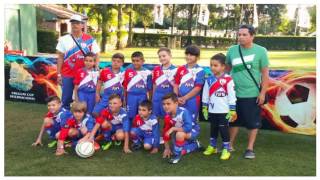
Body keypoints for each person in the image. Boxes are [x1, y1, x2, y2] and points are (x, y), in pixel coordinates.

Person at [226, 24, 269, 159]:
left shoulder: (261, 51)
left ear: (252, 36)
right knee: (233, 120)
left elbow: (265, 75)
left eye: (244, 35)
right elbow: (226, 70)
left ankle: (249, 148)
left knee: (252, 123)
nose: (241, 37)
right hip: (233, 94)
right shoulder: (232, 50)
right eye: (239, 34)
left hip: (252, 94)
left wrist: (262, 93)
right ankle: (229, 145)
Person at [56, 14, 100, 110]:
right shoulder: (64, 39)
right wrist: (59, 74)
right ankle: (65, 118)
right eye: (72, 23)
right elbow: (60, 57)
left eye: (77, 23)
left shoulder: (90, 40)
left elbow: (97, 54)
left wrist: (96, 67)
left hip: (85, 75)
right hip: (67, 74)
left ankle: (84, 119)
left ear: (82, 25)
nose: (74, 25)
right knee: (66, 98)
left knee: (82, 98)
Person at [202, 53, 237, 160]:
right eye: (211, 65)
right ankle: (212, 146)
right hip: (212, 110)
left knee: (223, 130)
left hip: (224, 111)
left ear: (223, 66)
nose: (212, 67)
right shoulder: (209, 79)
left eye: (215, 65)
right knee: (213, 128)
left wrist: (232, 110)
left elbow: (232, 95)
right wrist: (204, 107)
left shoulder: (228, 80)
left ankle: (226, 149)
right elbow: (205, 94)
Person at [162, 93, 201, 164]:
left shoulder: (184, 112)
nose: (165, 106)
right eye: (164, 104)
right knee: (176, 148)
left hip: (193, 130)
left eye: (168, 104)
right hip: (180, 131)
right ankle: (195, 145)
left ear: (176, 103)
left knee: (179, 135)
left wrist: (173, 129)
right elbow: (165, 133)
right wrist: (167, 148)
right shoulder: (167, 116)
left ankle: (177, 156)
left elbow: (188, 128)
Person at [174, 45, 205, 122]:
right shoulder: (180, 69)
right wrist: (176, 97)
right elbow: (176, 84)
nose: (188, 57)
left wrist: (185, 98)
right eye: (187, 54)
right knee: (178, 120)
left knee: (190, 121)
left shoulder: (200, 71)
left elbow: (198, 88)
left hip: (193, 100)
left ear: (197, 57)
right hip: (179, 99)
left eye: (191, 55)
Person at [92, 53, 125, 117]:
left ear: (122, 63)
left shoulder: (124, 73)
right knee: (95, 112)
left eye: (118, 61)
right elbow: (99, 83)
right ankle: (99, 124)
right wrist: (97, 94)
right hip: (106, 97)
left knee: (116, 114)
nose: (115, 63)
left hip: (118, 97)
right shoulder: (105, 71)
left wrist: (124, 99)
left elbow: (125, 87)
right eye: (114, 61)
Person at [123, 51, 152, 122]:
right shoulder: (128, 71)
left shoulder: (148, 73)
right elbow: (124, 87)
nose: (135, 63)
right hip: (131, 97)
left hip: (142, 96)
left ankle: (141, 130)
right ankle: (130, 130)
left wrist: (150, 100)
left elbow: (150, 88)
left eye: (137, 61)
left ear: (143, 61)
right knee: (130, 115)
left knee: (143, 115)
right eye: (133, 61)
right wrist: (124, 99)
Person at [152, 47, 177, 118]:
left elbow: (176, 86)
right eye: (159, 57)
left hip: (168, 96)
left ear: (170, 56)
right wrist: (153, 97)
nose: (161, 58)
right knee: (155, 116)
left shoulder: (175, 70)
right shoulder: (156, 69)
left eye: (164, 56)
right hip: (157, 96)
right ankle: (155, 129)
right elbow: (154, 84)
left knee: (168, 117)